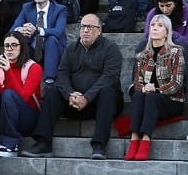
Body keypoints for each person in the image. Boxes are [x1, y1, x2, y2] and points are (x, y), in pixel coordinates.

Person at [22, 13, 124, 159]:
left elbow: (109, 77)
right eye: (83, 26)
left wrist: (87, 98)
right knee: (53, 91)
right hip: (73, 102)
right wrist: (70, 94)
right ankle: (43, 143)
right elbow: (62, 73)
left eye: (90, 27)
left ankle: (99, 145)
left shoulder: (110, 48)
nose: (85, 30)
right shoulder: (71, 48)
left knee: (108, 92)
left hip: (100, 103)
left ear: (100, 30)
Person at [126, 13, 187, 159]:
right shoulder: (142, 55)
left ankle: (146, 140)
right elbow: (137, 81)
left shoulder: (176, 52)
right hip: (147, 99)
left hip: (171, 101)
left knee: (152, 97)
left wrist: (157, 89)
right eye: (152, 25)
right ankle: (134, 139)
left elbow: (177, 83)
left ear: (167, 32)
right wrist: (143, 88)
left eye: (160, 26)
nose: (155, 28)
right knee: (139, 94)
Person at [0, 33, 43, 158]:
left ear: (22, 47)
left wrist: (8, 72)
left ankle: (10, 143)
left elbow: (23, 97)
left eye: (14, 45)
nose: (9, 49)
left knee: (9, 94)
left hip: (27, 118)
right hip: (6, 117)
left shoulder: (34, 67)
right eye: (6, 46)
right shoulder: (2, 67)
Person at [9, 0, 69, 80]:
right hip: (33, 50)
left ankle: (49, 79)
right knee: (19, 39)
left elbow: (58, 31)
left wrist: (37, 30)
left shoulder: (60, 9)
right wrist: (21, 30)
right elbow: (13, 29)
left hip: (54, 50)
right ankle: (18, 76)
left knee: (51, 39)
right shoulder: (27, 8)